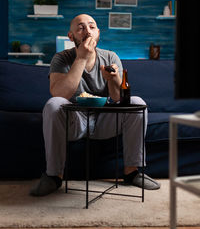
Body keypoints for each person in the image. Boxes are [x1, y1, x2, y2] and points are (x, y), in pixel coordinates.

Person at [30, 14, 160, 196]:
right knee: (54, 104)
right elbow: (60, 93)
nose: (87, 31)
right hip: (75, 121)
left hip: (104, 121)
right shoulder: (61, 58)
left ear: (98, 32)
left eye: (91, 26)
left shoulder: (111, 57)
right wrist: (81, 58)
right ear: (71, 36)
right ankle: (54, 176)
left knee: (137, 102)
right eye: (80, 27)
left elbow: (117, 99)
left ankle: (132, 173)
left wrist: (114, 80)